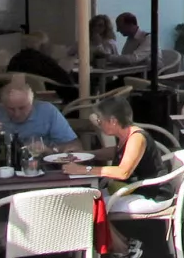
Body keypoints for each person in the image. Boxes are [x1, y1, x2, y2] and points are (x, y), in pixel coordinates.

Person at [65, 95, 167, 256]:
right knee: (85, 200)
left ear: (112, 120)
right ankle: (125, 246)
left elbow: (123, 171)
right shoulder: (125, 135)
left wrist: (83, 170)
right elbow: (115, 152)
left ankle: (122, 249)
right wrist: (86, 153)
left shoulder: (137, 137)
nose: (98, 124)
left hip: (151, 193)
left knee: (88, 205)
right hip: (132, 189)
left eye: (100, 120)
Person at [0, 79, 79, 156]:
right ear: (2, 105)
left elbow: (76, 148)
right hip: (2, 171)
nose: (17, 114)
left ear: (32, 103)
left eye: (22, 108)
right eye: (11, 109)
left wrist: (49, 150)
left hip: (42, 170)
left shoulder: (47, 111)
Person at [7, 33, 75, 95]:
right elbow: (67, 81)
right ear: (42, 46)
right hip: (49, 94)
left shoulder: (15, 58)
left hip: (23, 95)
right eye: (47, 45)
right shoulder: (44, 60)